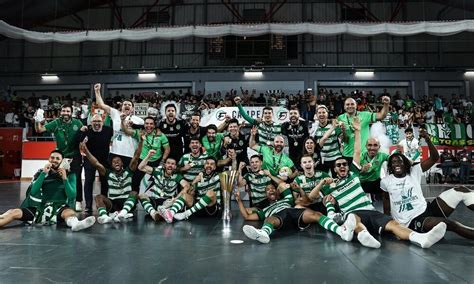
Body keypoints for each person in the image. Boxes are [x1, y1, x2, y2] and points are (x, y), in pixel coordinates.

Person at [321, 116, 446, 249]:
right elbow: (317, 199)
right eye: (338, 165)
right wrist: (326, 197)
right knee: (354, 219)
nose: (342, 167)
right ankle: (363, 235)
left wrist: (358, 131)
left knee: (393, 224)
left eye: (344, 164)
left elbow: (357, 151)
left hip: (370, 209)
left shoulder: (353, 173)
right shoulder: (330, 186)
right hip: (353, 210)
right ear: (334, 169)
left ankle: (421, 238)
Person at [381, 130, 474, 239]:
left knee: (461, 190)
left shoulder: (413, 171)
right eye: (393, 162)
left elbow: (434, 158)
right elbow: (386, 203)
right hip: (413, 220)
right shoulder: (386, 181)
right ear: (390, 166)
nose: (397, 164)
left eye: (400, 161)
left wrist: (428, 140)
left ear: (405, 163)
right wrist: (390, 226)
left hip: (428, 209)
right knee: (449, 224)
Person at [0, 150, 96, 231]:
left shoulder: (70, 175)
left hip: (59, 207)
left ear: (62, 161)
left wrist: (65, 179)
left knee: (69, 213)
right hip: (38, 207)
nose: (54, 160)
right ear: (49, 159)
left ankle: (75, 225)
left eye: (58, 159)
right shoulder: (40, 173)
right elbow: (33, 191)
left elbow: (72, 195)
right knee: (13, 212)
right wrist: (43, 174)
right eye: (52, 158)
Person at [236, 182, 356, 244]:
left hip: (293, 212)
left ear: (277, 191)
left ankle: (342, 232)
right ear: (265, 194)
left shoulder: (287, 198)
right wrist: (239, 200)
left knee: (316, 215)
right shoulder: (265, 209)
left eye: (272, 188)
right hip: (279, 216)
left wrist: (298, 188)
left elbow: (284, 185)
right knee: (269, 220)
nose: (270, 190)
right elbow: (247, 216)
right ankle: (263, 233)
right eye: (267, 190)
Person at [35, 104, 85, 211]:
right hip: (61, 157)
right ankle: (61, 200)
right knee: (59, 178)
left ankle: (78, 201)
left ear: (71, 112)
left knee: (76, 179)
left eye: (67, 111)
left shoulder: (77, 122)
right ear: (60, 112)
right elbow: (39, 130)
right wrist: (37, 120)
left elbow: (84, 135)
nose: (65, 113)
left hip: (75, 155)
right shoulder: (56, 122)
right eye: (63, 111)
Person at [80, 138, 141, 224]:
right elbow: (96, 163)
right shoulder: (108, 173)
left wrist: (141, 141)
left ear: (122, 163)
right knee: (98, 197)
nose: (116, 162)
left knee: (134, 193)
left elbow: (136, 156)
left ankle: (122, 213)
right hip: (113, 204)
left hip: (126, 202)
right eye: (114, 162)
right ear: (111, 165)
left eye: (118, 161)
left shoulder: (129, 171)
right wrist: (86, 152)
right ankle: (105, 217)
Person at [94, 83, 144, 167]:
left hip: (130, 153)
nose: (127, 106)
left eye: (129, 105)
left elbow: (145, 130)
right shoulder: (115, 113)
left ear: (132, 109)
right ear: (121, 106)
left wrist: (133, 125)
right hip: (115, 151)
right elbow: (101, 105)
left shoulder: (139, 120)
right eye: (125, 104)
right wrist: (97, 91)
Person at [120, 115, 170, 193]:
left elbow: (167, 149)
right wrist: (122, 120)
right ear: (144, 125)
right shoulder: (140, 133)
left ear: (154, 125)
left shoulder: (160, 135)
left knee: (157, 183)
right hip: (141, 161)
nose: (149, 126)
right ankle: (134, 200)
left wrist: (162, 161)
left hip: (156, 162)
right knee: (135, 181)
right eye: (146, 123)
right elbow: (126, 131)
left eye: (151, 124)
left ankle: (155, 200)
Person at [137, 152, 190, 223]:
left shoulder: (177, 176)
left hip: (168, 202)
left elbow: (186, 186)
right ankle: (154, 213)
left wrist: (176, 198)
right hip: (156, 200)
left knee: (183, 198)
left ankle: (167, 212)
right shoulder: (157, 171)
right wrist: (149, 156)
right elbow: (140, 167)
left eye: (172, 164)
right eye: (168, 163)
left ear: (175, 166)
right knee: (141, 195)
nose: (170, 165)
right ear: (165, 165)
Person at [337, 96, 390, 164]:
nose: (350, 106)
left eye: (352, 104)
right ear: (344, 107)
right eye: (347, 104)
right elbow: (344, 139)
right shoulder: (340, 118)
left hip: (363, 155)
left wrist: (386, 104)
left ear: (356, 105)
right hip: (347, 154)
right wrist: (343, 130)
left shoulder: (365, 115)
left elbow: (381, 116)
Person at [79, 114, 114, 213]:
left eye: (99, 121)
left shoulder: (108, 130)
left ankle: (105, 204)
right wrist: (80, 131)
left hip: (104, 161)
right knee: (88, 182)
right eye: (94, 121)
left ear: (102, 122)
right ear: (91, 123)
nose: (97, 123)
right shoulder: (87, 131)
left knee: (105, 182)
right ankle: (88, 206)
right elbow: (79, 141)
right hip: (89, 160)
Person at [314, 106, 342, 175]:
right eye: (319, 113)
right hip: (323, 159)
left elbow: (342, 138)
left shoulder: (334, 125)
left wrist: (343, 130)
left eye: (324, 112)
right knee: (324, 181)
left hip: (336, 157)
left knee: (337, 180)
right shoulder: (314, 128)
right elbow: (317, 145)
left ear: (327, 114)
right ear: (316, 115)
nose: (321, 114)